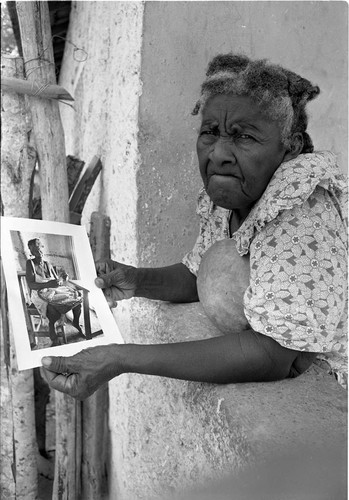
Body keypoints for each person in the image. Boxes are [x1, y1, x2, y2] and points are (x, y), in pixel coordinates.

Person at [41, 53, 347, 399]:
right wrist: (136, 280)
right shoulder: (234, 193)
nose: (218, 153)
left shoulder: (300, 211)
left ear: (289, 147)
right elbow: (197, 272)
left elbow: (273, 356)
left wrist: (119, 357)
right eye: (210, 133)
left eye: (244, 137)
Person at [26, 238, 83, 347]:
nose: (39, 251)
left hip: (52, 290)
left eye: (40, 247)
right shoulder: (30, 264)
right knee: (52, 309)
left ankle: (75, 322)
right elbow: (31, 285)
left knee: (76, 300)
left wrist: (62, 279)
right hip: (38, 293)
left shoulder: (47, 264)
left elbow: (57, 281)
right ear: (31, 252)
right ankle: (53, 335)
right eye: (35, 249)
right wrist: (48, 284)